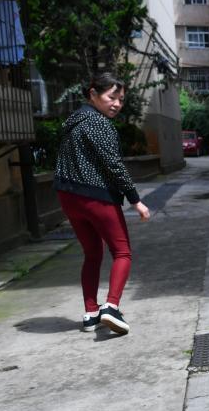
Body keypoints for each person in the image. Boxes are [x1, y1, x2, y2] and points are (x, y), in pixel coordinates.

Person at [53, 72, 150, 335]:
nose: (117, 104)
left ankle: (91, 313)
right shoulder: (98, 123)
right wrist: (135, 200)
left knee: (92, 252)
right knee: (122, 252)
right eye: (112, 97)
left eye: (121, 99)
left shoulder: (73, 121)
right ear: (93, 94)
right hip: (96, 196)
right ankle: (111, 307)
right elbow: (114, 165)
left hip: (68, 197)